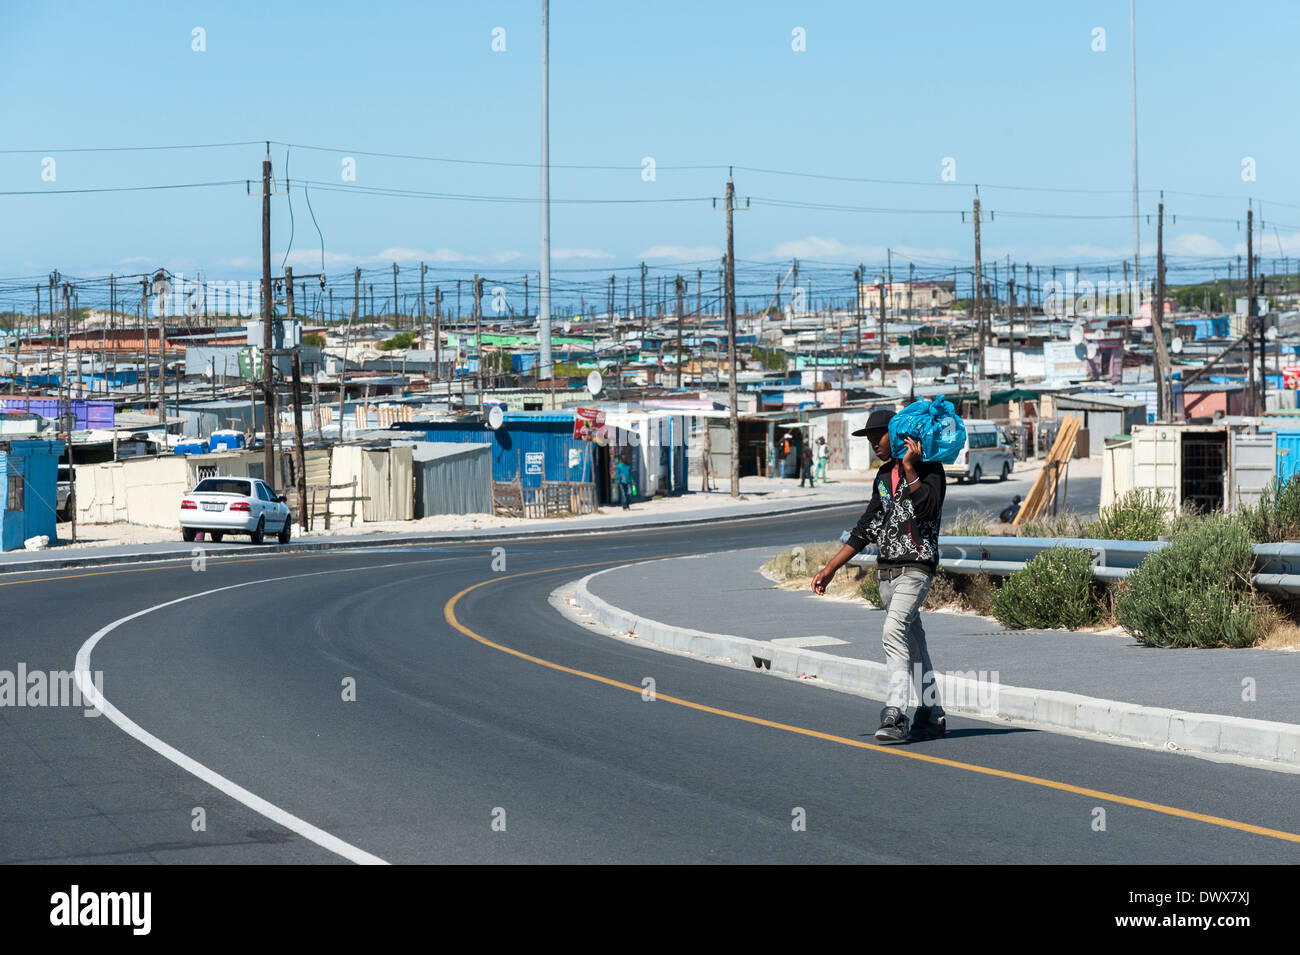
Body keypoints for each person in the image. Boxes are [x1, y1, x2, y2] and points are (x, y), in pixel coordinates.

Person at [811, 408, 948, 743]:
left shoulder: (931, 469)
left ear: (898, 433)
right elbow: (867, 527)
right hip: (887, 572)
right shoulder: (884, 477)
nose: (874, 443)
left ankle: (895, 714)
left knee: (892, 632)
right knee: (914, 644)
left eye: (878, 436)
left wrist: (911, 468)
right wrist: (830, 568)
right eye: (870, 438)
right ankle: (932, 714)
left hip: (916, 567)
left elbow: (928, 509)